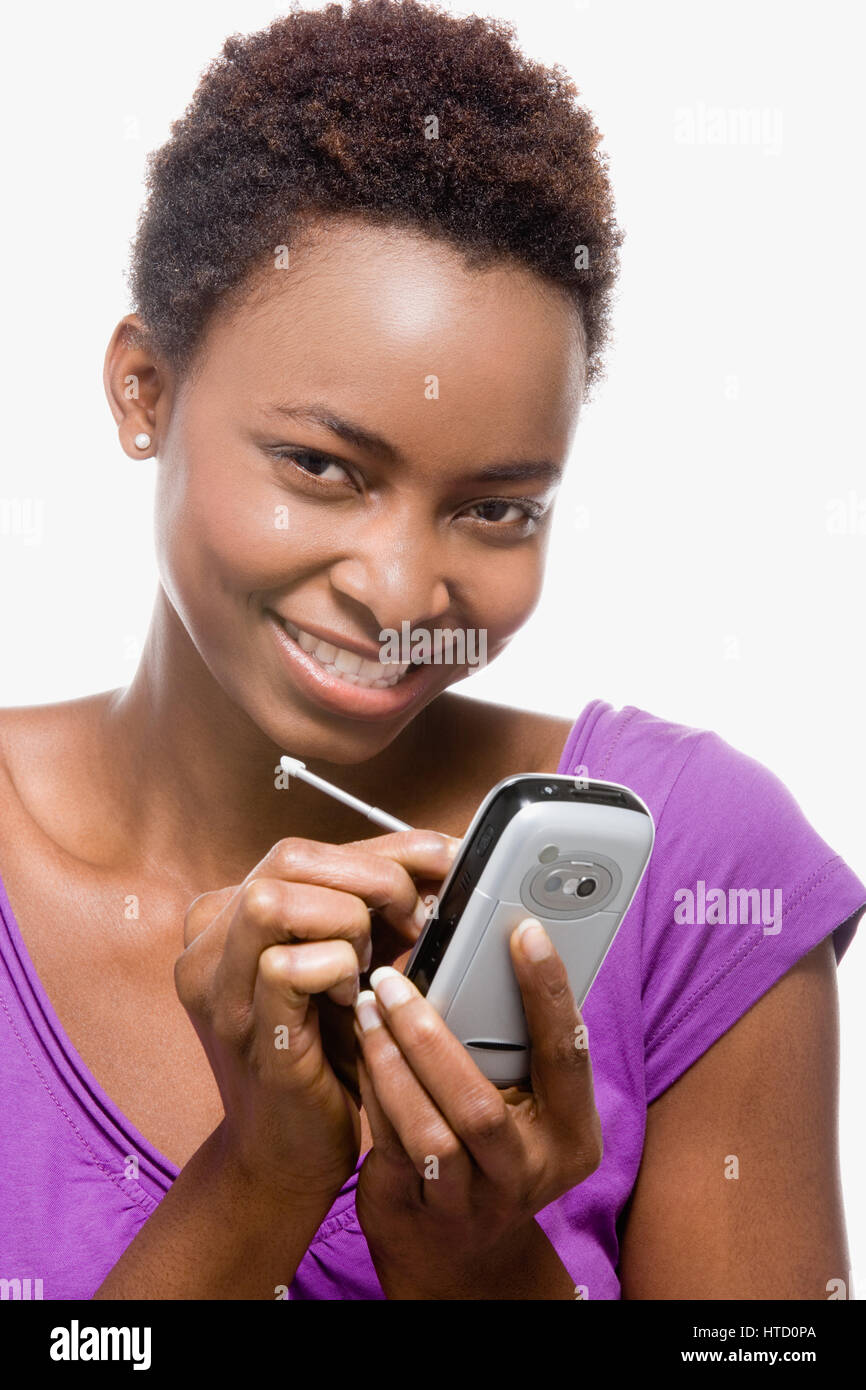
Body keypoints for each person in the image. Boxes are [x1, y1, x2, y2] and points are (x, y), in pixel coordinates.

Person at [0, 0, 862, 1301]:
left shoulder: (694, 870)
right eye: (323, 466)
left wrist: (475, 1261)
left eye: (496, 506)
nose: (405, 590)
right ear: (145, 390)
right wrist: (257, 1183)